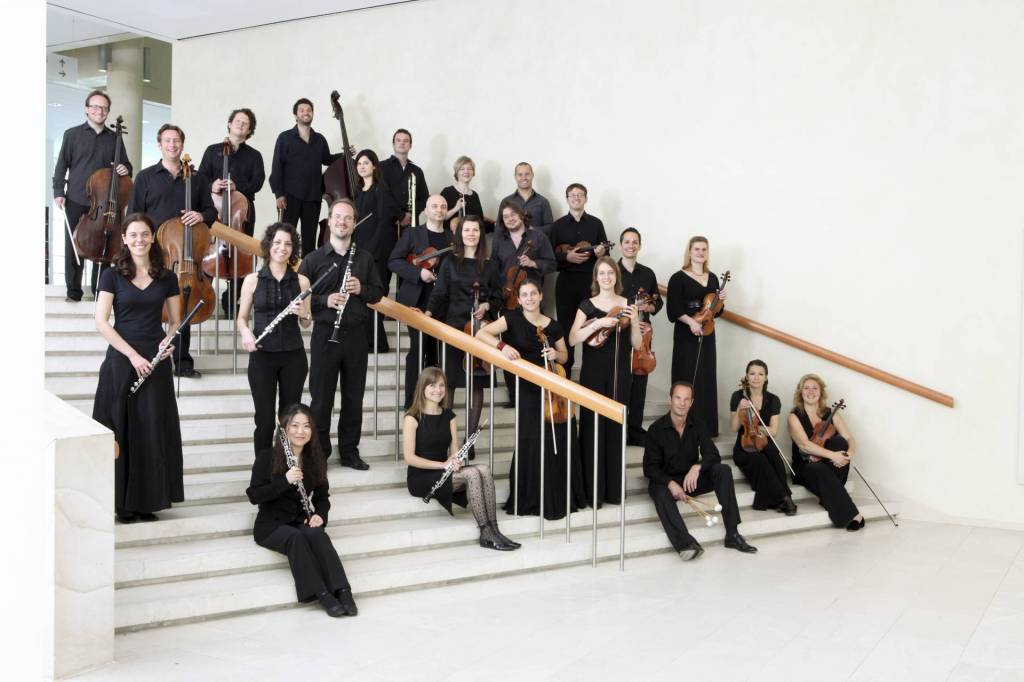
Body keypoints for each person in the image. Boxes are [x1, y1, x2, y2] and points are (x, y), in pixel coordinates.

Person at [92, 213, 183, 524]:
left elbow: (175, 321)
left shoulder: (166, 277)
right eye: (133, 235)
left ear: (152, 236)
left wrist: (168, 340)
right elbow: (101, 321)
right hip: (122, 359)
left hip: (155, 360)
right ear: (125, 239)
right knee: (122, 428)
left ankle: (147, 501)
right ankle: (121, 503)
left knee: (151, 429)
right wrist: (132, 356)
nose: (139, 240)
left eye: (144, 234)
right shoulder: (111, 275)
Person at [477, 278, 588, 518]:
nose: (529, 298)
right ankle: (531, 497)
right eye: (524, 295)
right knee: (532, 438)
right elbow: (482, 333)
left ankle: (559, 495)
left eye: (533, 294)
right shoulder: (511, 319)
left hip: (553, 388)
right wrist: (503, 347)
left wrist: (555, 354)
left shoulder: (553, 325)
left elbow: (566, 356)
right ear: (519, 299)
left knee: (558, 437)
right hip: (527, 387)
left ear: (540, 296)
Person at [246, 404, 358, 617]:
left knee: (317, 534)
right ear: (285, 429)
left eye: (306, 426)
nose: (301, 431)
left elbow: (322, 497)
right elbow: (254, 495)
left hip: (299, 519)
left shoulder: (315, 460)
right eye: (295, 425)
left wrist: (320, 516)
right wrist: (285, 481)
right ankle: (322, 594)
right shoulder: (267, 457)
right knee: (296, 538)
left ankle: (343, 591)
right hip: (270, 525)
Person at [299, 198, 385, 471]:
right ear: (329, 220)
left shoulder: (364, 258)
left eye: (348, 218)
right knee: (321, 398)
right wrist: (324, 301)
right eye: (338, 216)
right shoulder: (312, 260)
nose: (342, 222)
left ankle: (349, 451)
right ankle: (319, 452)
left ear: (354, 223)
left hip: (356, 336)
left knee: (353, 397)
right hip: (325, 334)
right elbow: (299, 299)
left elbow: (378, 293)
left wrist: (362, 289)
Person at [127, 123, 217, 378]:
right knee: (150, 307)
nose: (172, 145)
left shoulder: (197, 178)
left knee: (182, 304)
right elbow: (134, 214)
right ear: (159, 144)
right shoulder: (145, 177)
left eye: (176, 140)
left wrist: (200, 215)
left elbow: (211, 212)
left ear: (182, 144)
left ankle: (182, 360)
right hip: (153, 252)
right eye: (167, 140)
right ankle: (149, 357)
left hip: (185, 256)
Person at [403, 368, 519, 551]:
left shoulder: (449, 416)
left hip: (444, 470)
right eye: (432, 385)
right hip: (421, 477)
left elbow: (454, 451)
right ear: (422, 388)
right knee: (472, 474)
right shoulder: (412, 418)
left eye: (441, 385)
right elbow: (409, 458)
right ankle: (486, 533)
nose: (438, 390)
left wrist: (455, 459)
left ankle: (495, 530)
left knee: (483, 469)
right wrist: (443, 464)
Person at [644, 382, 758, 560]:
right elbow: (650, 467)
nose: (682, 403)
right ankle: (685, 544)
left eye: (686, 399)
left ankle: (732, 534)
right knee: (659, 492)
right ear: (670, 400)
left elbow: (713, 455)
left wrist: (697, 467)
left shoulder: (698, 424)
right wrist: (670, 483)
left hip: (690, 480)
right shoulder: (655, 429)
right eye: (678, 398)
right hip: (666, 482)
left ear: (691, 402)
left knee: (723, 470)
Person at [567, 257, 641, 507]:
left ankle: (614, 491)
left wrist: (635, 320)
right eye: (602, 273)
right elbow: (572, 339)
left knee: (615, 429)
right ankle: (593, 492)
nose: (606, 277)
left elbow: (637, 344)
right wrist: (598, 323)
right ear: (596, 277)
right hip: (593, 374)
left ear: (616, 276)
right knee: (592, 428)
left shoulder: (627, 304)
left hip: (620, 374)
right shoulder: (587, 305)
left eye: (610, 273)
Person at [425, 216, 501, 454]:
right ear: (460, 234)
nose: (471, 234)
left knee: (476, 385)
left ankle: (469, 442)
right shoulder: (450, 262)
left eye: (475, 230)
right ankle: (446, 439)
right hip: (454, 329)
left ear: (481, 234)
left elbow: (499, 297)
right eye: (467, 230)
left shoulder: (490, 266)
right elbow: (440, 293)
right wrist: (427, 314)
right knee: (449, 384)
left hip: (479, 332)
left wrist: (487, 305)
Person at [236, 222, 312, 456]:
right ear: (269, 245)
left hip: (293, 357)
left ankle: (286, 464)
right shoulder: (252, 280)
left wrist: (304, 313)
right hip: (262, 357)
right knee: (264, 419)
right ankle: (262, 466)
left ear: (293, 249)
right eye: (277, 242)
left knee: (289, 418)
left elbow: (307, 322)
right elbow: (241, 318)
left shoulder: (302, 282)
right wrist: (245, 332)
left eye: (288, 244)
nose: (282, 248)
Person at [53, 89, 132, 302]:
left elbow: (126, 166)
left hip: (104, 202)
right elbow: (61, 166)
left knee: (105, 243)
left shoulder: (114, 138)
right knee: (74, 244)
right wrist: (59, 192)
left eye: (104, 108)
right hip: (76, 198)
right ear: (87, 109)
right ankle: (74, 290)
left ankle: (100, 289)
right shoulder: (72, 135)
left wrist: (125, 168)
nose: (100, 111)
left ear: (107, 112)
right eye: (96, 107)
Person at [197, 108, 266, 318]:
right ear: (229, 124)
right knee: (207, 252)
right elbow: (201, 179)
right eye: (238, 121)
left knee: (241, 255)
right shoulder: (212, 151)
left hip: (241, 214)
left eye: (246, 123)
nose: (241, 125)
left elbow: (257, 183)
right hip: (215, 212)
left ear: (249, 130)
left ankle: (233, 300)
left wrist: (238, 186)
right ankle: (203, 299)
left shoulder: (254, 156)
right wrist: (212, 185)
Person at [490, 201, 557, 406]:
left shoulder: (538, 237)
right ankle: (514, 395)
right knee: (510, 350)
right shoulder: (499, 240)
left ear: (521, 215)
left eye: (513, 214)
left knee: (534, 349)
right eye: (505, 217)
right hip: (507, 303)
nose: (510, 219)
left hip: (532, 304)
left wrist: (533, 263)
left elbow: (552, 263)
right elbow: (493, 269)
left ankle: (536, 392)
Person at [389, 194, 454, 407]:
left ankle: (434, 402)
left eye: (443, 206)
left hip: (443, 304)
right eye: (434, 206)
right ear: (425, 210)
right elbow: (393, 261)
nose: (439, 209)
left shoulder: (452, 238)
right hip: (416, 302)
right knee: (418, 351)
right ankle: (411, 402)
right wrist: (419, 273)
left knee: (437, 353)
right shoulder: (413, 233)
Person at [787, 374, 866, 531]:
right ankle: (854, 515)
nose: (810, 391)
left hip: (829, 465)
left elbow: (849, 438)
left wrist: (849, 454)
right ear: (800, 392)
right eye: (806, 388)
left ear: (821, 392)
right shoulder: (794, 416)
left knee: (840, 442)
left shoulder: (832, 413)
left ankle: (828, 496)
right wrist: (833, 456)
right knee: (820, 468)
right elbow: (805, 446)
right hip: (805, 466)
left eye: (815, 388)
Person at [665, 236, 725, 435]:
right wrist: (691, 322)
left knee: (706, 379)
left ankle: (706, 428)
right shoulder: (678, 278)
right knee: (686, 376)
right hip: (686, 335)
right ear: (689, 252)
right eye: (697, 249)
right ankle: (683, 427)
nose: (700, 252)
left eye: (704, 249)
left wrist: (720, 301)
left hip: (707, 334)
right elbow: (673, 309)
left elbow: (715, 311)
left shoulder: (713, 278)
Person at [269, 98, 343, 255]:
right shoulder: (285, 138)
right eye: (302, 110)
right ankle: (286, 268)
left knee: (309, 240)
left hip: (313, 197)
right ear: (295, 115)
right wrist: (279, 194)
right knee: (287, 238)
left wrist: (345, 155)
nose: (306, 113)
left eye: (309, 110)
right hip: (289, 197)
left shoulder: (319, 139)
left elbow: (327, 159)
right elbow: (276, 167)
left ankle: (307, 270)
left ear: (312, 114)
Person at [552, 183, 608, 374]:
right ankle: (565, 376)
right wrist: (566, 257)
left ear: (586, 198)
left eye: (580, 195)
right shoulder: (558, 225)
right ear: (567, 199)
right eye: (572, 195)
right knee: (566, 328)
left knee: (592, 328)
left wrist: (600, 253)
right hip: (566, 283)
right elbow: (550, 256)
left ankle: (590, 376)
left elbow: (605, 255)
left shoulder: (596, 224)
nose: (576, 198)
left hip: (590, 284)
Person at [729, 360, 796, 515]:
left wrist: (754, 427)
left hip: (764, 442)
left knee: (773, 454)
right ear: (746, 376)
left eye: (760, 374)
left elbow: (773, 431)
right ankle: (785, 498)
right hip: (745, 445)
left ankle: (783, 498)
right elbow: (733, 428)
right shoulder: (738, 396)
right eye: (752, 373)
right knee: (760, 460)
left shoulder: (773, 400)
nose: (756, 377)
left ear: (766, 377)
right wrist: (739, 408)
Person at [617, 227, 662, 446]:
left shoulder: (648, 273)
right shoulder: (612, 271)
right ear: (620, 245)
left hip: (643, 335)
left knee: (640, 381)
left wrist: (649, 308)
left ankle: (634, 428)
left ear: (640, 246)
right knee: (621, 381)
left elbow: (658, 302)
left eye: (635, 242)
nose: (631, 245)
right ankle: (619, 428)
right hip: (620, 333)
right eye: (627, 242)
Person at [352, 148, 400, 352]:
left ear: (374, 166)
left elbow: (383, 224)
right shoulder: (357, 191)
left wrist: (371, 252)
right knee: (362, 295)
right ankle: (369, 341)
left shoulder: (380, 189)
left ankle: (379, 343)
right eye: (359, 163)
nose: (362, 166)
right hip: (360, 250)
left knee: (373, 294)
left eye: (366, 163)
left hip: (376, 252)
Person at [379, 128, 428, 232]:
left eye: (406, 141)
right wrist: (400, 215)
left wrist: (410, 215)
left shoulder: (417, 171)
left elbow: (424, 198)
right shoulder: (381, 167)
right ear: (393, 144)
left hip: (411, 223)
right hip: (387, 223)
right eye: (398, 140)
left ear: (410, 145)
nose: (402, 143)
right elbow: (382, 196)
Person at [497, 162, 554, 238]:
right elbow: (499, 229)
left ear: (532, 175)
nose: (524, 178)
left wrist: (532, 229)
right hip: (511, 244)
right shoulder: (506, 201)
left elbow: (550, 228)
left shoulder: (543, 202)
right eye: (520, 175)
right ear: (515, 177)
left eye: (527, 174)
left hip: (536, 244)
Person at [440, 156, 494, 232]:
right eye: (462, 169)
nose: (466, 171)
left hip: (471, 238)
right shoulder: (447, 192)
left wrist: (495, 224)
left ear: (473, 173)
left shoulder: (474, 195)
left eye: (469, 169)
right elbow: (438, 218)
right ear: (457, 172)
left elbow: (479, 221)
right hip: (451, 238)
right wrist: (455, 209)